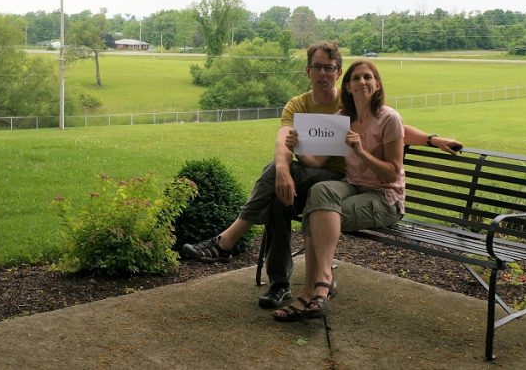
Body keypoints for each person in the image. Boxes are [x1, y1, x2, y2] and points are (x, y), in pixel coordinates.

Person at [181, 43, 462, 309]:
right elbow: (283, 140)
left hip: (340, 181)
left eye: (329, 68)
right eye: (317, 67)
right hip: (320, 178)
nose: (323, 73)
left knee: (300, 195)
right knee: (280, 198)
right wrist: (283, 170)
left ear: (339, 73)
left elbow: (389, 122)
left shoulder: (350, 97)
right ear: (308, 71)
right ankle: (280, 285)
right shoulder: (301, 104)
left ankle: (231, 242)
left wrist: (432, 138)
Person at [273, 59, 405, 321]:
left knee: (317, 213)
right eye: (356, 78)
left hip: (384, 197)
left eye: (368, 77)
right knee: (320, 191)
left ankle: (314, 290)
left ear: (377, 84)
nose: (362, 82)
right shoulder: (342, 119)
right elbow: (317, 162)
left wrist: (360, 152)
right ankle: (321, 285)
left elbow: (392, 172)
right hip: (353, 186)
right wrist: (297, 146)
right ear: (347, 85)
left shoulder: (389, 119)